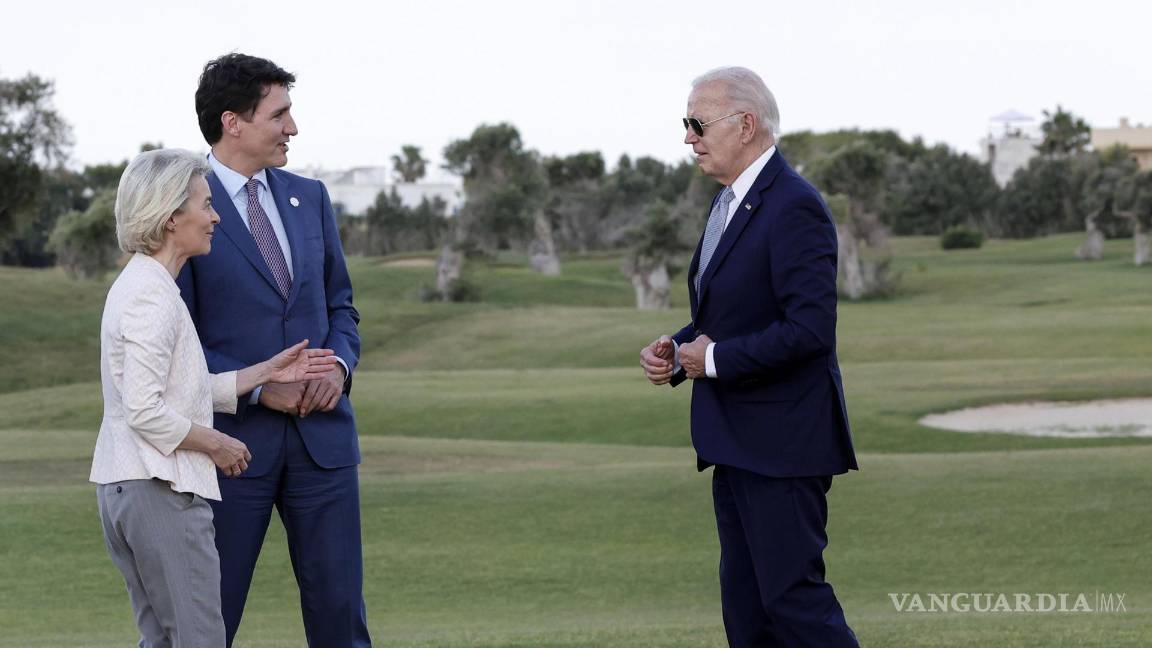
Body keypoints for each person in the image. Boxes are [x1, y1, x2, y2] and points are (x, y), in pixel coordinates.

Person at [639, 67, 859, 647]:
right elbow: (729, 316)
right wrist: (677, 345)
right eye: (686, 124)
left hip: (783, 446)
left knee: (796, 607)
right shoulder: (727, 203)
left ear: (746, 124)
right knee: (748, 616)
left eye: (697, 122)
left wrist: (711, 361)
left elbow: (810, 330)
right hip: (735, 443)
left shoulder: (793, 206)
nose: (688, 136)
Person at [91, 148, 339, 647]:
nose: (215, 217)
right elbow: (145, 410)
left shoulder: (147, 285)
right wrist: (216, 445)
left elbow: (181, 388)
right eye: (205, 205)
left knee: (165, 640)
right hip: (159, 490)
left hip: (130, 487)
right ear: (169, 218)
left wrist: (262, 373)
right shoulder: (150, 296)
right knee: (200, 639)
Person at [178, 53, 370, 647]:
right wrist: (260, 387)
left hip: (325, 445)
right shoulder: (181, 207)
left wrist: (337, 366)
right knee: (206, 620)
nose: (293, 127)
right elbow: (173, 342)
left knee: (341, 618)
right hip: (230, 452)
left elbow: (342, 306)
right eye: (279, 113)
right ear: (232, 121)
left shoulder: (309, 197)